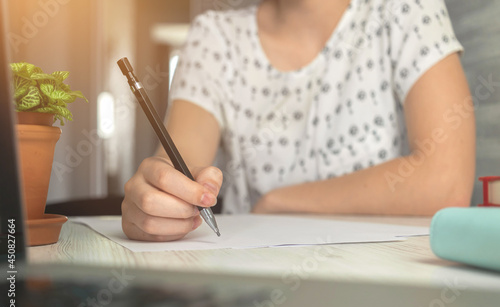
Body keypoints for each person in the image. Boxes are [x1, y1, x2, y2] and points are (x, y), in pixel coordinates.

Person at [122, 0, 475, 241]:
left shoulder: (406, 9)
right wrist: (157, 198)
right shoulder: (214, 37)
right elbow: (178, 163)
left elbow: (445, 181)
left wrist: (278, 202)